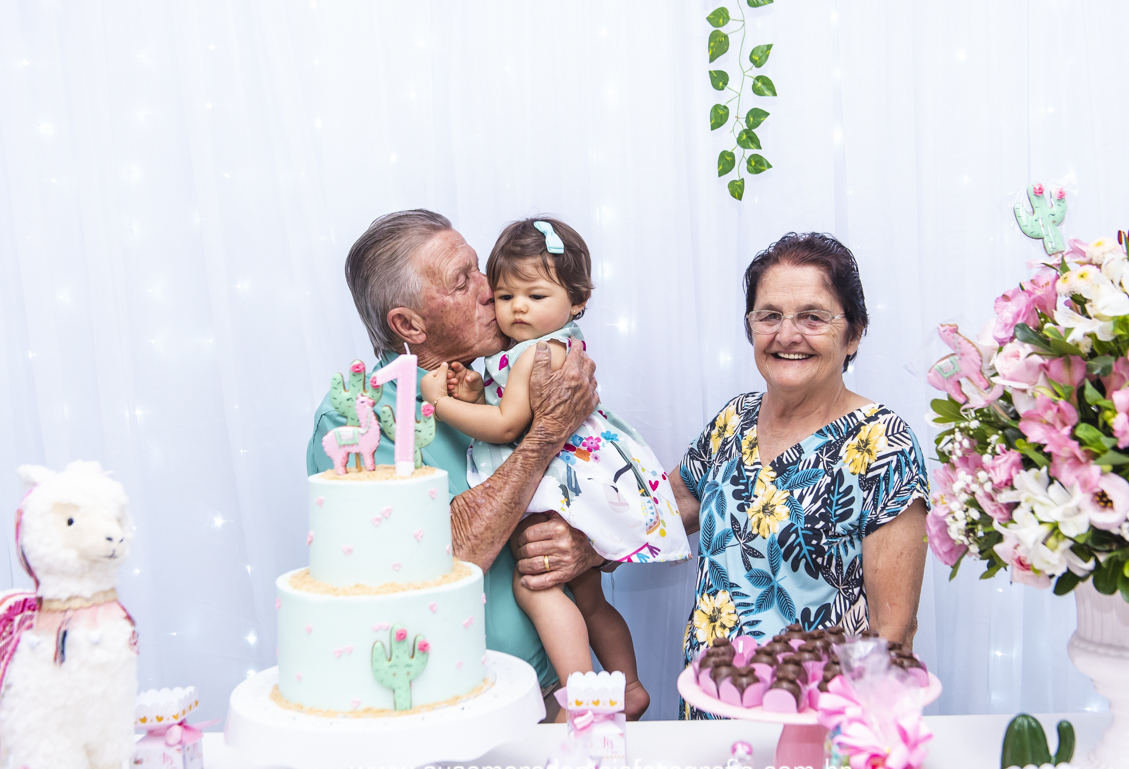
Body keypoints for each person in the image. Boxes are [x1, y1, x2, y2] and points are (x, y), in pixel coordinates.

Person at [306, 209, 606, 720]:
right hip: (446, 707)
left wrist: (585, 548)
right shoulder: (357, 422)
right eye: (462, 281)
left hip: (554, 695)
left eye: (479, 268)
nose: (492, 289)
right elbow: (438, 564)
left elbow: (599, 492)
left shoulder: (511, 373)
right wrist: (545, 435)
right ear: (408, 325)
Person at [421, 217, 689, 720]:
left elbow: (506, 426)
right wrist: (478, 394)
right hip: (575, 474)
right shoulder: (544, 346)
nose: (517, 307)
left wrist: (443, 405)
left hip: (560, 483)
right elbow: (512, 413)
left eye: (536, 296)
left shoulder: (535, 355)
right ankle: (629, 685)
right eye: (505, 296)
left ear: (578, 300)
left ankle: (581, 697)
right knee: (587, 596)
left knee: (535, 586)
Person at [667, 232, 930, 720]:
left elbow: (892, 632)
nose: (787, 335)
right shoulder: (734, 419)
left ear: (853, 335)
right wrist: (583, 540)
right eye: (769, 316)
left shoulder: (883, 445)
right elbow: (675, 502)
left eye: (813, 317)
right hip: (705, 713)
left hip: (815, 725)